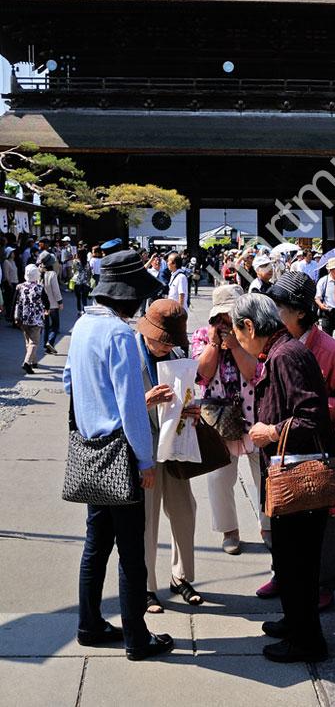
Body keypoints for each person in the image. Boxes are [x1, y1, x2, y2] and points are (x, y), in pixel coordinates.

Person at [63, 249, 174, 660]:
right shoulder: (119, 335)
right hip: (121, 453)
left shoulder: (80, 326)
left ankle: (89, 623)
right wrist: (145, 461)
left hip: (90, 451)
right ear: (126, 296)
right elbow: (130, 406)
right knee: (131, 550)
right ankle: (137, 637)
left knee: (96, 544)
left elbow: (68, 382)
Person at [233, 290, 335, 663]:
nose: (239, 342)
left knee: (298, 564)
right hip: (286, 472)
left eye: (238, 333)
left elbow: (312, 416)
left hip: (298, 475)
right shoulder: (282, 351)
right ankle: (295, 623)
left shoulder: (285, 356)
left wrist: (271, 432)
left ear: (249, 325)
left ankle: (307, 642)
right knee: (292, 561)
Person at [270, 270, 335, 609]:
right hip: (282, 442)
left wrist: (317, 404)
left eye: (279, 307)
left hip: (320, 445)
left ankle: (325, 583)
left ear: (301, 313)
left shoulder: (331, 350)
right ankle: (283, 574)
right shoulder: (275, 343)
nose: (273, 313)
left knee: (322, 516)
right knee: (280, 511)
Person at [136, 299, 204, 614]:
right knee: (147, 519)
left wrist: (192, 410)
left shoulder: (178, 355)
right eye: (159, 341)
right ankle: (146, 587)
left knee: (184, 511)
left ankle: (182, 577)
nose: (165, 348)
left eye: (170, 342)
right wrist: (145, 401)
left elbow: (188, 394)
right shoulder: (128, 353)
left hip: (174, 447)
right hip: (143, 450)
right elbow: (115, 405)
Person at [190, 283, 262, 556]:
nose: (225, 323)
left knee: (264, 476)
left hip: (255, 416)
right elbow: (202, 375)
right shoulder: (200, 336)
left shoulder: (254, 336)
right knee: (219, 477)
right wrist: (213, 344)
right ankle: (229, 530)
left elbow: (254, 374)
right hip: (218, 417)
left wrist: (235, 346)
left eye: (230, 317)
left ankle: (267, 526)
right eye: (220, 318)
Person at [14, 264, 49, 373]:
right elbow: (46, 301)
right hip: (36, 318)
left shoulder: (20, 287)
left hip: (23, 318)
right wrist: (47, 309)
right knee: (34, 342)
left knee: (28, 341)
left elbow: (15, 301)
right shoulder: (39, 288)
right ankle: (27, 362)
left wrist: (15, 316)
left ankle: (34, 362)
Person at [40, 255, 64, 354]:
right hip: (53, 304)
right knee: (55, 326)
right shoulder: (52, 274)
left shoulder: (41, 274)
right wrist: (60, 302)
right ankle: (50, 342)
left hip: (43, 305)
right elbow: (56, 290)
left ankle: (46, 346)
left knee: (46, 326)